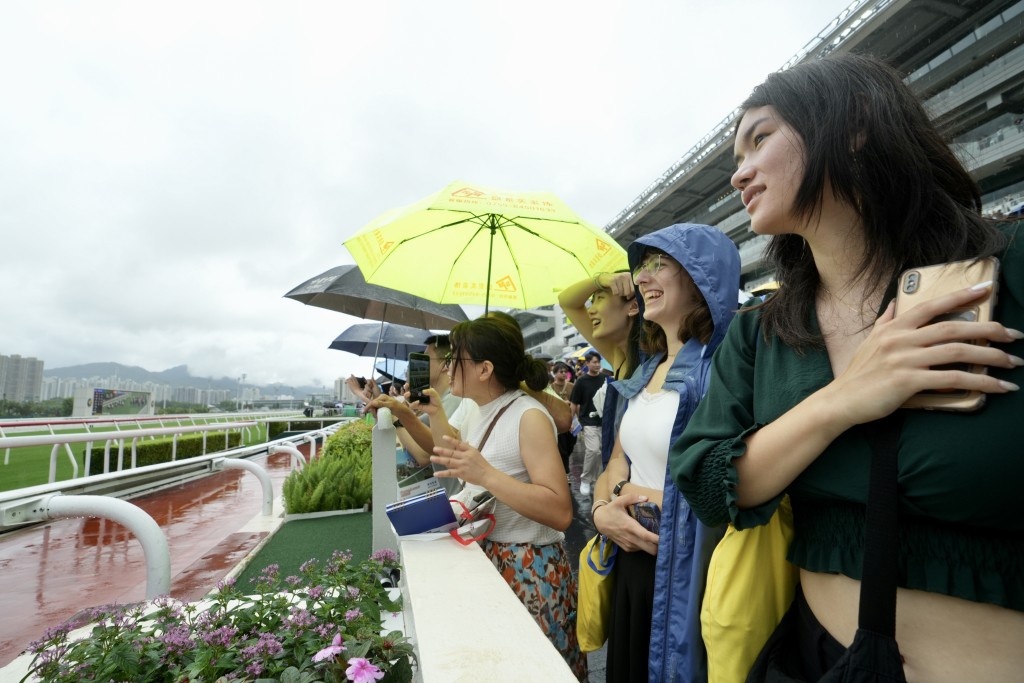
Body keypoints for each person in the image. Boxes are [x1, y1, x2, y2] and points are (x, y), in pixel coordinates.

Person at [672, 53, 1024, 682]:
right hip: (814, 660)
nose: (739, 174)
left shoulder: (1010, 269)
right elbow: (706, 484)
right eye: (735, 157)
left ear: (854, 121)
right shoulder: (761, 332)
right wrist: (844, 398)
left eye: (760, 138)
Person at [588, 223, 739, 683]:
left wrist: (641, 498)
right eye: (641, 268)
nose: (643, 278)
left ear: (700, 276)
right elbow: (617, 459)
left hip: (686, 570)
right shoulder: (648, 368)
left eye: (660, 264)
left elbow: (728, 483)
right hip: (631, 558)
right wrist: (601, 511)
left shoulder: (723, 370)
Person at [422, 316, 587, 680]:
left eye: (456, 360)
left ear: (484, 369)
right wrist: (433, 413)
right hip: (495, 558)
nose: (447, 368)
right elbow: (456, 456)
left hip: (530, 566)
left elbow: (561, 511)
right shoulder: (483, 412)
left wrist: (486, 475)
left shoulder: (527, 416)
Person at [559, 270, 642, 469]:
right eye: (592, 301)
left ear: (633, 306)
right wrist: (600, 279)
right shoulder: (618, 355)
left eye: (600, 299)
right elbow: (567, 301)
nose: (590, 310)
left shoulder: (655, 360)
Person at [569, 351, 605, 495]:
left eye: (598, 362)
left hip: (604, 420)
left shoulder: (605, 378)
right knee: (593, 450)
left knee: (602, 452)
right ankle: (585, 479)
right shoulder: (581, 381)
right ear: (587, 363)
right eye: (594, 362)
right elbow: (574, 403)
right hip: (588, 421)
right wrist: (572, 420)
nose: (597, 365)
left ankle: (598, 480)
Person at [548, 361, 576, 472]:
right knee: (562, 449)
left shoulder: (572, 386)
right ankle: (565, 471)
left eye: (565, 372)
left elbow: (576, 402)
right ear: (555, 373)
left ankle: (564, 465)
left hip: (572, 420)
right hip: (558, 422)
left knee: (571, 445)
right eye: (561, 372)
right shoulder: (550, 388)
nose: (564, 374)